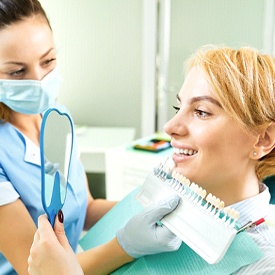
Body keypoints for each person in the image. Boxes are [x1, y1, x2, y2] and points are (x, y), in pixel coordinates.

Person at [28, 45, 275, 274]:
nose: (170, 126)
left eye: (201, 112)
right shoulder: (167, 200)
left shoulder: (264, 263)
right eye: (179, 109)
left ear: (263, 139)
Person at [0, 0, 181, 274]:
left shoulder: (58, 117)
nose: (39, 79)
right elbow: (37, 269)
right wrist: (127, 244)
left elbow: (86, 206)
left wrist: (148, 207)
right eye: (17, 71)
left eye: (48, 61)